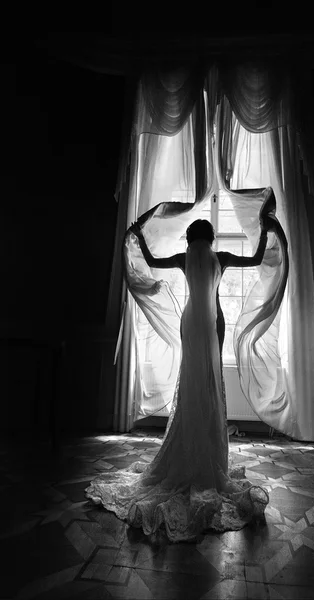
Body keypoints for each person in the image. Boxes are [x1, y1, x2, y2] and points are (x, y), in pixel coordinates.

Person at [85, 212, 271, 543]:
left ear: (189, 239)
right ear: (211, 238)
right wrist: (269, 230)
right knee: (211, 386)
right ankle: (211, 455)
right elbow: (256, 257)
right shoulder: (221, 257)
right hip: (213, 324)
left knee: (192, 384)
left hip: (191, 323)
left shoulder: (186, 259)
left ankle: (190, 447)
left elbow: (153, 258)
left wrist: (138, 235)